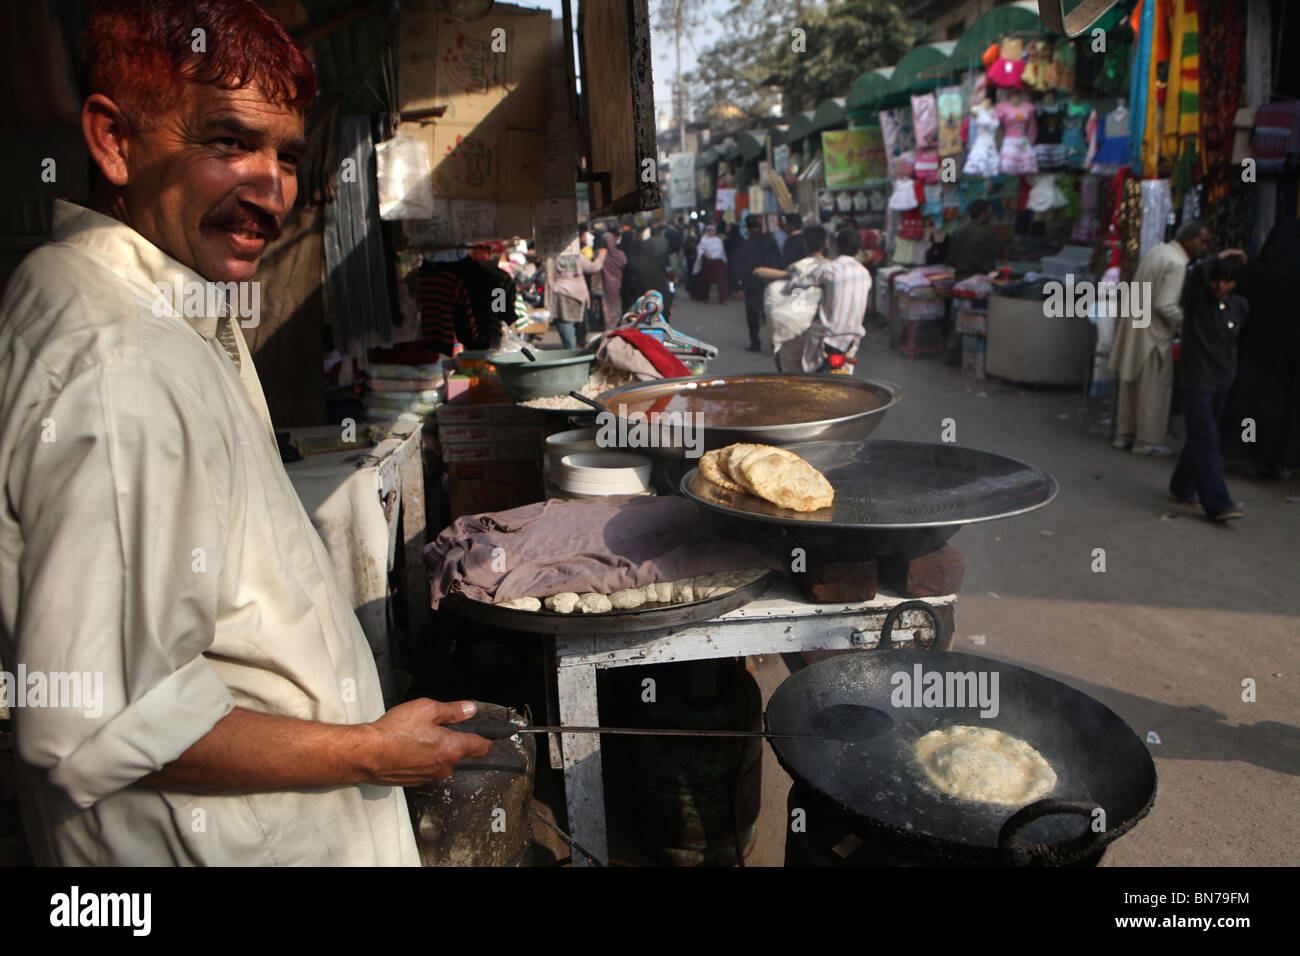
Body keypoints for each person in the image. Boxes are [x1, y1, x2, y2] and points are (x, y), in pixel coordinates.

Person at [0, 0, 491, 867]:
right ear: (114, 142)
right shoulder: (123, 360)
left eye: (288, 156)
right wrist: (372, 750)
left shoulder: (142, 306)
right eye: (228, 142)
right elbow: (101, 716)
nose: (271, 188)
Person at [1110, 220, 1212, 455]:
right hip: (1153, 335)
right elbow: (1165, 306)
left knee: (1131, 385)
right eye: (1202, 241)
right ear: (1189, 239)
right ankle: (1147, 441)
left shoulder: (1157, 251)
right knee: (1153, 390)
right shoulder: (1177, 263)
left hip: (1135, 328)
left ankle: (1124, 434)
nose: (1204, 247)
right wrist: (1191, 322)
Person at [1168, 256, 1248, 521]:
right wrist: (1221, 257)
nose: (1219, 286)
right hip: (1197, 379)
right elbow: (1196, 276)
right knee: (1207, 441)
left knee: (1201, 438)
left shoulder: (1238, 306)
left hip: (1222, 381)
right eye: (1217, 280)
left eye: (1226, 281)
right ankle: (1217, 502)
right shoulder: (1198, 303)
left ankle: (1182, 486)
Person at [1224, 218, 1300, 479]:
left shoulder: (1259, 272)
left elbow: (1233, 284)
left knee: (1253, 407)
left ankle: (1246, 455)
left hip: (1258, 354)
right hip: (1290, 359)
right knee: (1285, 411)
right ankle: (1280, 461)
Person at [770, 226, 873, 373]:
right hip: (853, 337)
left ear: (835, 247)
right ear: (858, 251)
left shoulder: (828, 269)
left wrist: (789, 285)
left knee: (790, 351)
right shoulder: (865, 274)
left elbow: (799, 283)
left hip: (827, 336)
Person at [759, 225, 828, 366]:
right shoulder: (835, 268)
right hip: (832, 332)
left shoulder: (798, 268)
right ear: (826, 243)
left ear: (806, 245)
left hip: (800, 331)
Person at [547, 236, 606, 348]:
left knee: (565, 323)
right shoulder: (577, 256)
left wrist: (549, 302)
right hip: (579, 295)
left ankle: (571, 349)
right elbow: (592, 267)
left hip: (561, 294)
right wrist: (601, 256)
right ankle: (579, 348)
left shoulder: (552, 257)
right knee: (581, 323)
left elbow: (549, 279)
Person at [736, 214, 784, 351]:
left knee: (752, 314)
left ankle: (755, 343)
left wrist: (740, 285)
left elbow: (742, 265)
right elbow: (778, 259)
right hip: (769, 281)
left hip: (752, 282)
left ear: (747, 227)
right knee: (769, 313)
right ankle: (775, 344)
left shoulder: (746, 244)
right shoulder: (769, 240)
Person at [946, 200, 1003, 279]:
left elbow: (951, 260)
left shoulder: (957, 232)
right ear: (984, 214)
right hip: (983, 278)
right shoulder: (988, 233)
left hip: (961, 276)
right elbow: (999, 254)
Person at [620, 236, 674, 316]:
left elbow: (625, 290)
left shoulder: (630, 265)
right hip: (656, 306)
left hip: (636, 308)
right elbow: (663, 287)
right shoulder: (655, 264)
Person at [599, 230, 629, 330]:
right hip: (620, 286)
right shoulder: (621, 254)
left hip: (607, 288)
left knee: (608, 312)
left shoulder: (601, 255)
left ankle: (610, 329)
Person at [693, 224, 728, 303]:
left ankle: (722, 298)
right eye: (709, 231)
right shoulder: (703, 240)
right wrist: (705, 253)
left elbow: (721, 251)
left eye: (712, 231)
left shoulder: (718, 240)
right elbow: (700, 250)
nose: (711, 232)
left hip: (718, 262)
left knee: (721, 281)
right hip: (708, 262)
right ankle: (705, 297)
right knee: (706, 281)